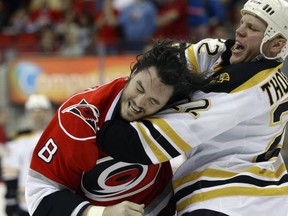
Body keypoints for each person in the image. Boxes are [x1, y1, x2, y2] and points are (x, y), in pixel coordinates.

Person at [97, 0, 288, 215]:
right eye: (242, 23)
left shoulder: (249, 87)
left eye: (252, 28)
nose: (240, 31)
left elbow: (152, 140)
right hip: (263, 196)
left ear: (276, 45)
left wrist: (99, 126)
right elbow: (163, 64)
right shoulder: (226, 54)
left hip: (230, 199)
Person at [25, 40, 210, 216]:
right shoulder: (79, 119)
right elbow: (39, 193)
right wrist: (102, 212)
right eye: (139, 88)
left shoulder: (173, 112)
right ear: (133, 73)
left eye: (153, 101)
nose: (139, 103)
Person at [2, 94, 53, 216]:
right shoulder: (18, 140)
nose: (38, 115)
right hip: (25, 202)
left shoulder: (57, 136)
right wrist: (10, 198)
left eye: (42, 111)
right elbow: (11, 171)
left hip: (51, 199)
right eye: (34, 111)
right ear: (28, 113)